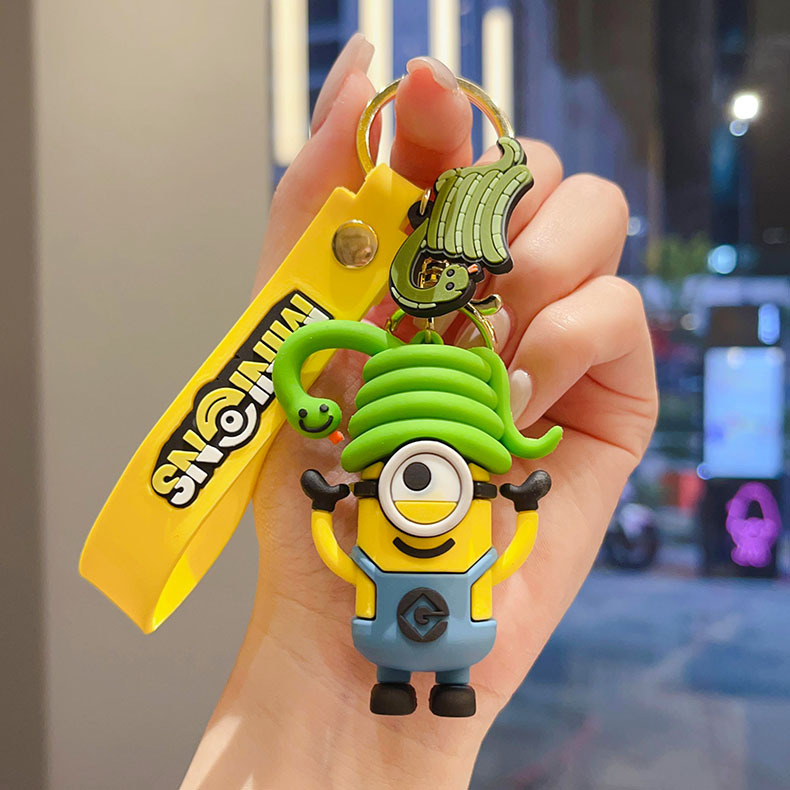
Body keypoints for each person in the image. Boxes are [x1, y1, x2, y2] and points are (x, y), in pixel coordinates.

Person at [180, 34, 657, 789]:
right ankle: (400, 685)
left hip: (440, 611)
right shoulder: (395, 518)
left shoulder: (446, 525)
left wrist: (520, 502)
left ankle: (442, 686)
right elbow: (357, 544)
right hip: (393, 614)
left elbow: (495, 555)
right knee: (403, 656)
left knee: (439, 657)